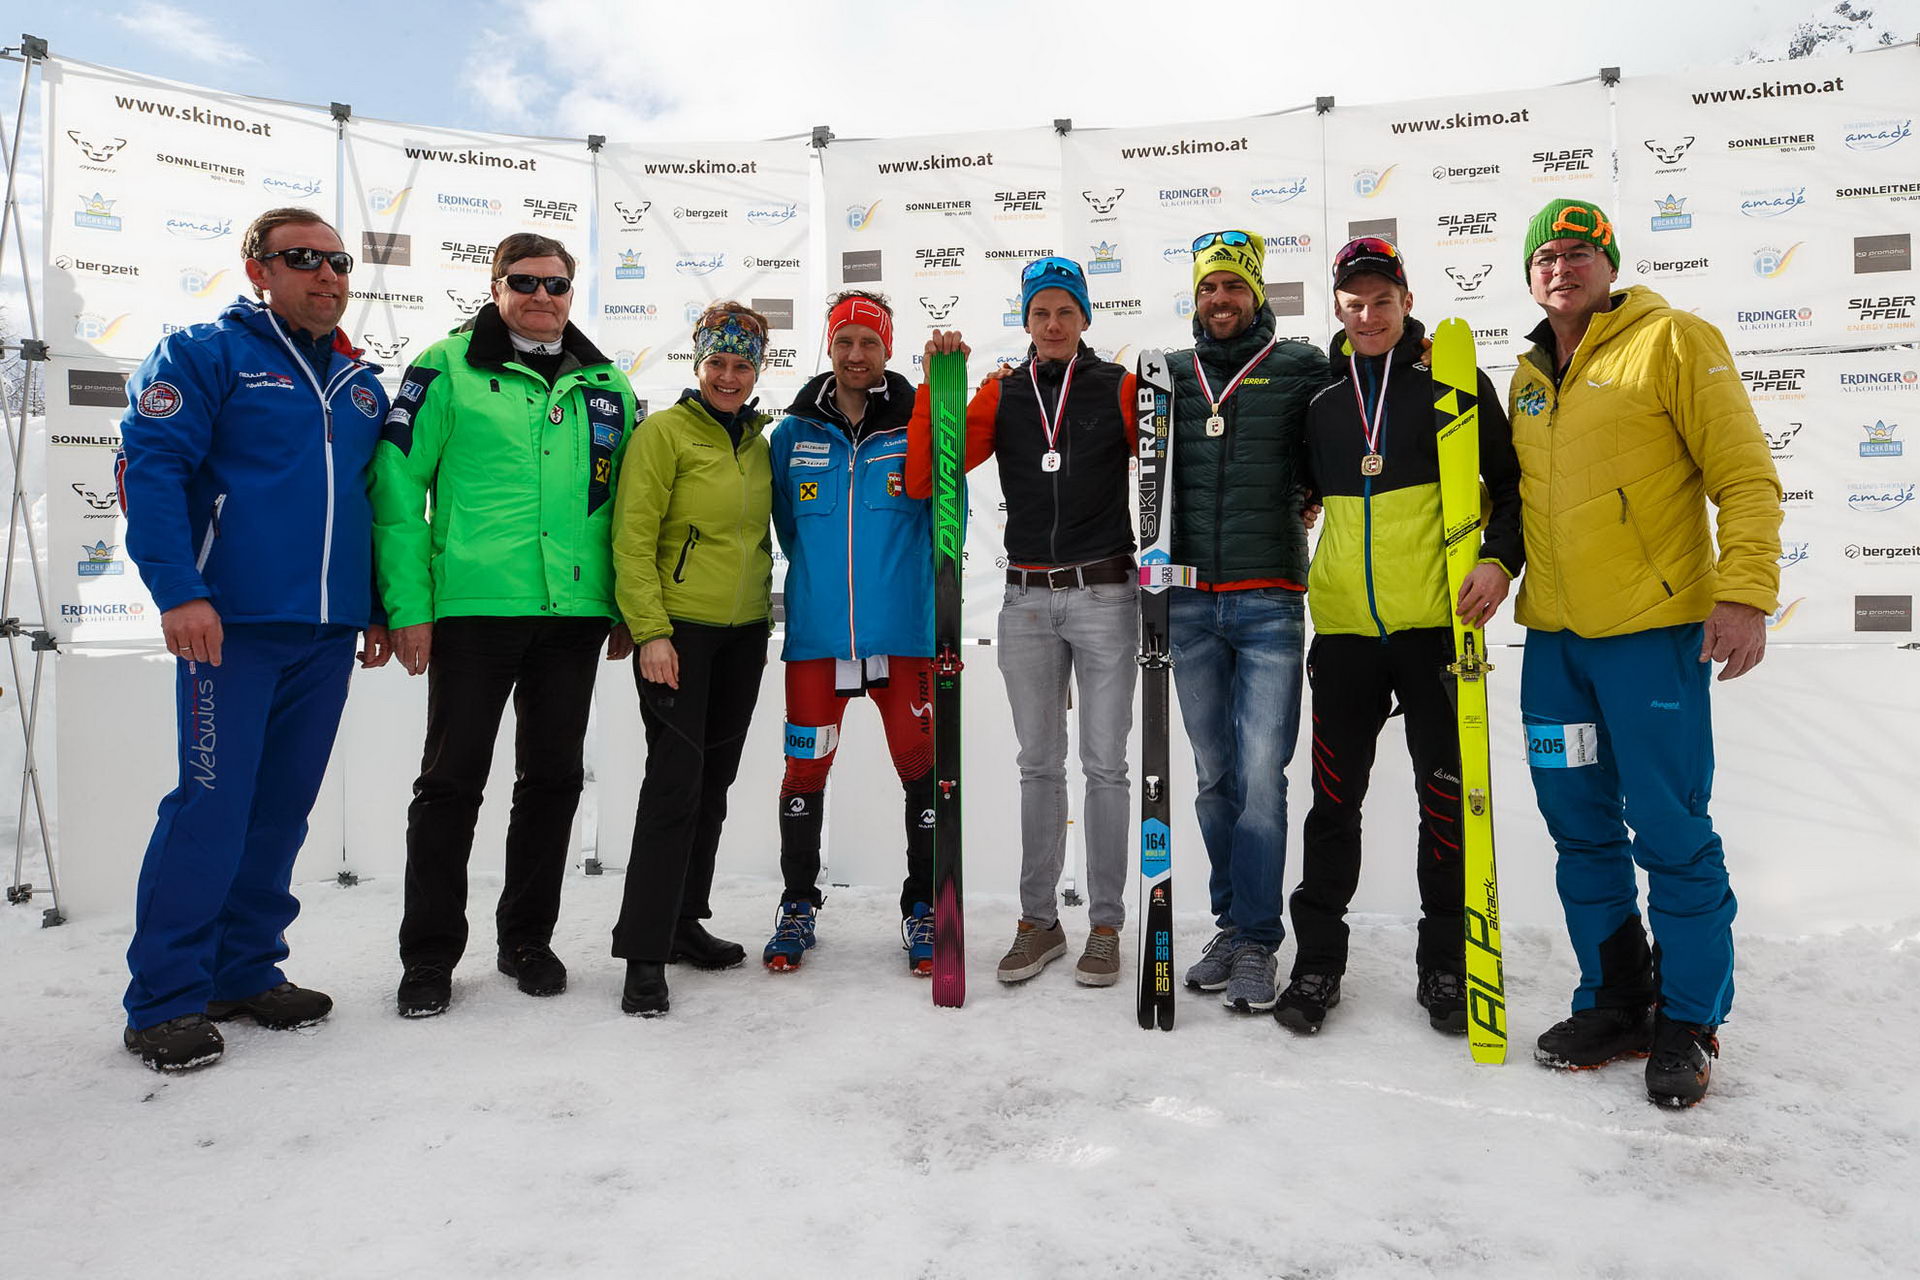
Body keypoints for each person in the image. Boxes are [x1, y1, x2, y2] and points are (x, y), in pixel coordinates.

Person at [1510, 200, 1782, 1107]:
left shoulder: (1672, 340)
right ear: (1529, 273)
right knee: (1578, 829)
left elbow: (1744, 474)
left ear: (1609, 264)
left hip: (1653, 637)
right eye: (1547, 255)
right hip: (1554, 644)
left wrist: (1744, 592)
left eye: (1581, 252)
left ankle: (1689, 1020)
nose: (1563, 267)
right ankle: (1619, 997)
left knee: (1669, 829)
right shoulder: (1525, 378)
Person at [117, 206, 391, 1071]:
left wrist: (377, 602)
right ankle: (164, 999)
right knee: (211, 808)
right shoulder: (204, 353)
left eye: (339, 262)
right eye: (304, 259)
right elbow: (151, 470)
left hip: (325, 630)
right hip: (227, 626)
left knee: (280, 813)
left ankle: (242, 971)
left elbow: (374, 502)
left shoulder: (362, 385)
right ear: (258, 270)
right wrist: (179, 590)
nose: (328, 276)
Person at [371, 233, 638, 1019]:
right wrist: (409, 606)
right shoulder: (445, 366)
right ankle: (428, 957)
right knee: (451, 785)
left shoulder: (606, 383)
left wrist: (624, 605)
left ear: (570, 288)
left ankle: (526, 938)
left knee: (552, 781)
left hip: (572, 617)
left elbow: (627, 506)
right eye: (522, 281)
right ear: (495, 286)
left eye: (554, 283)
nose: (539, 296)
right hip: (475, 611)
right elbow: (396, 486)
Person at [1277, 237, 1523, 1036]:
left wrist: (1499, 558)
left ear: (1407, 300)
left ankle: (1446, 968)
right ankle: (1316, 965)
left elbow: (1512, 485)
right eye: (1354, 303)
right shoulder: (1318, 400)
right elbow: (1302, 491)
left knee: (1443, 801)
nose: (1369, 315)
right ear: (1337, 310)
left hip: (1435, 630)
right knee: (1333, 807)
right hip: (1345, 630)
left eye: (1383, 300)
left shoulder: (1449, 383)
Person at [907, 256, 1138, 989]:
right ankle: (1039, 922)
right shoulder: (1001, 393)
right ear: (1026, 320)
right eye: (1041, 312)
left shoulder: (1120, 387)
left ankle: (1105, 925)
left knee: (1105, 767)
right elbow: (926, 475)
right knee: (1038, 766)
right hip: (1026, 599)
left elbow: (1170, 475)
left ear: (1085, 319)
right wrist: (934, 389)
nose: (1054, 324)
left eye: (1066, 311)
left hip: (1105, 593)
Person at [1165, 231, 1328, 1013]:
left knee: (1262, 777)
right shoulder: (1166, 376)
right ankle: (1233, 923)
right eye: (1208, 289)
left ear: (1256, 295)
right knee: (1213, 777)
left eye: (1234, 288)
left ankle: (1261, 940)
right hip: (1191, 601)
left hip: (1268, 599)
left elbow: (1347, 424)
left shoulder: (1300, 366)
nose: (1220, 301)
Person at [762, 292, 937, 974]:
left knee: (922, 772)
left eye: (869, 342)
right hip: (816, 639)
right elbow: (787, 527)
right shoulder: (791, 437)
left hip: (904, 638)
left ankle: (923, 907)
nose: (856, 354)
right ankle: (798, 903)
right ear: (829, 348)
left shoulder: (919, 422)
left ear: (887, 348)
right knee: (804, 771)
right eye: (845, 342)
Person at [610, 302, 776, 1016]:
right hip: (680, 633)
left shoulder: (759, 443)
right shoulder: (663, 435)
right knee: (674, 786)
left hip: (743, 634)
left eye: (742, 365)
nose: (730, 376)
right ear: (698, 364)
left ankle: (683, 922)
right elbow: (632, 537)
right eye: (718, 363)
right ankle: (643, 953)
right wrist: (650, 632)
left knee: (712, 783)